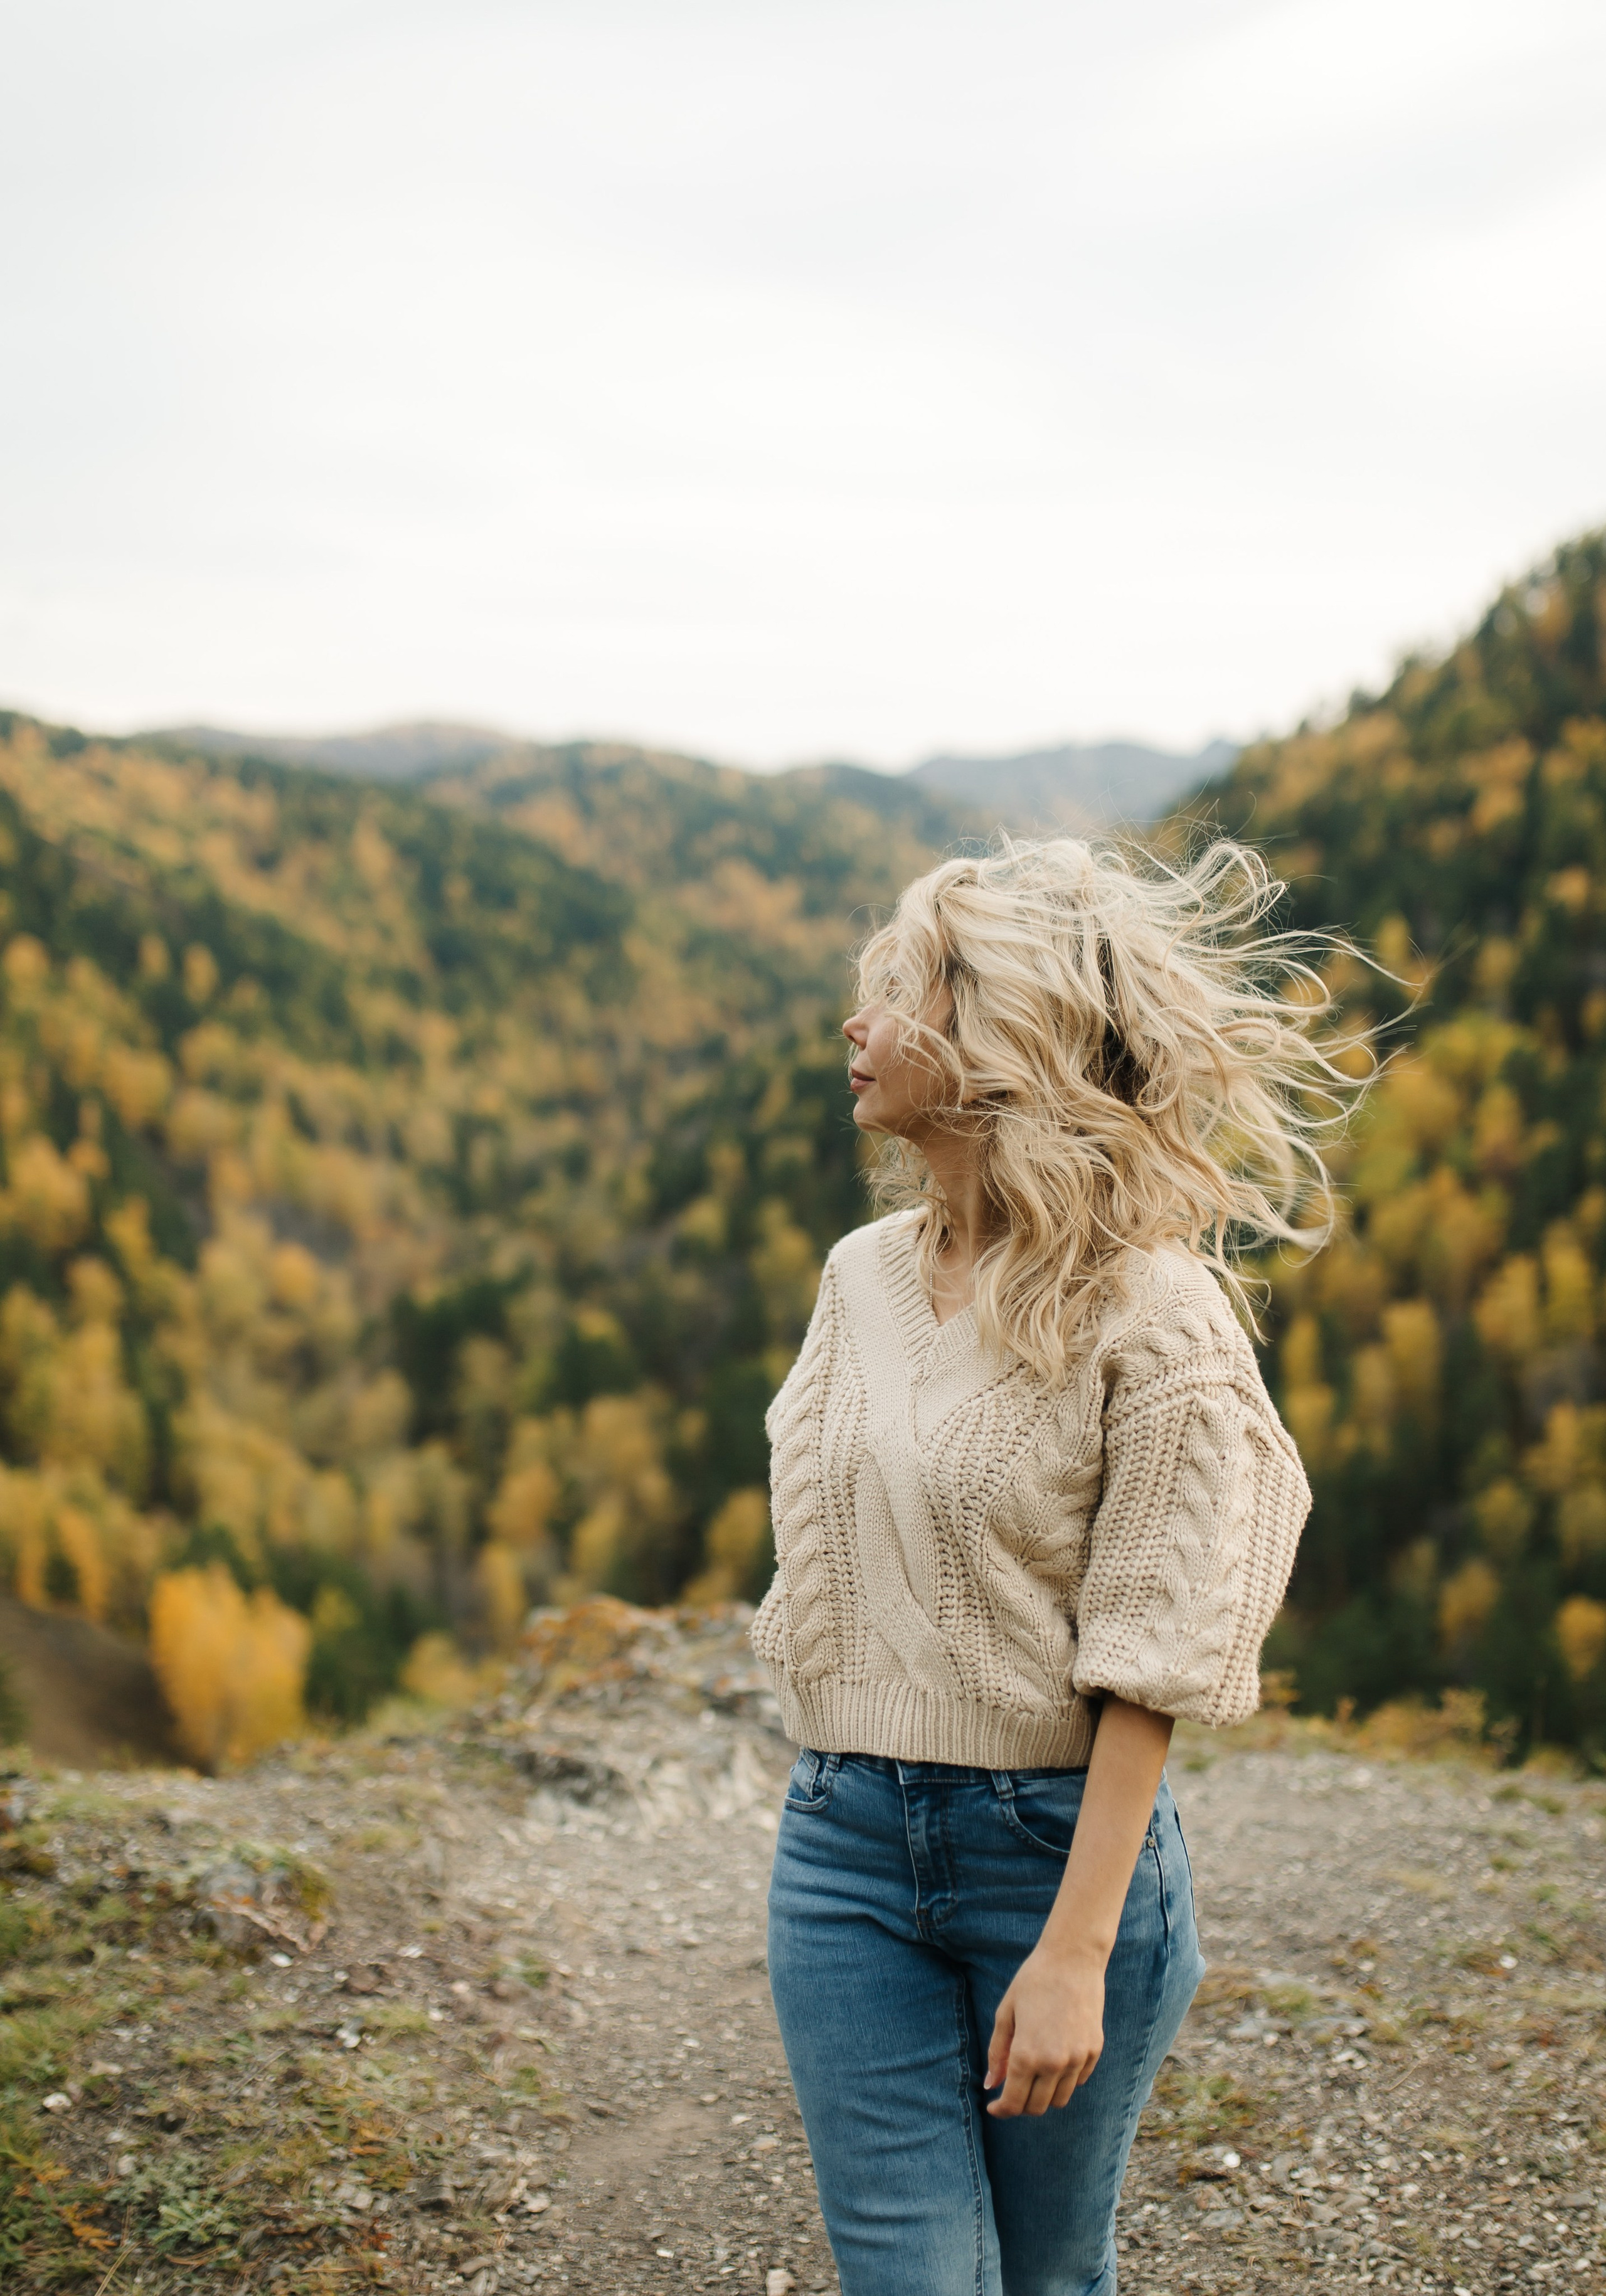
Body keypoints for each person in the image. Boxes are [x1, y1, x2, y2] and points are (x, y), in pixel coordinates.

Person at [753, 836, 1356, 2295]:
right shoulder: (858, 1274)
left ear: (991, 1036)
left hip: (1053, 1856)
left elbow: (1150, 1650)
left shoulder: (1155, 1310)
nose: (856, 1023)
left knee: (1043, 2277)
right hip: (838, 1845)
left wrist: (1078, 1951)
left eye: (896, 991)